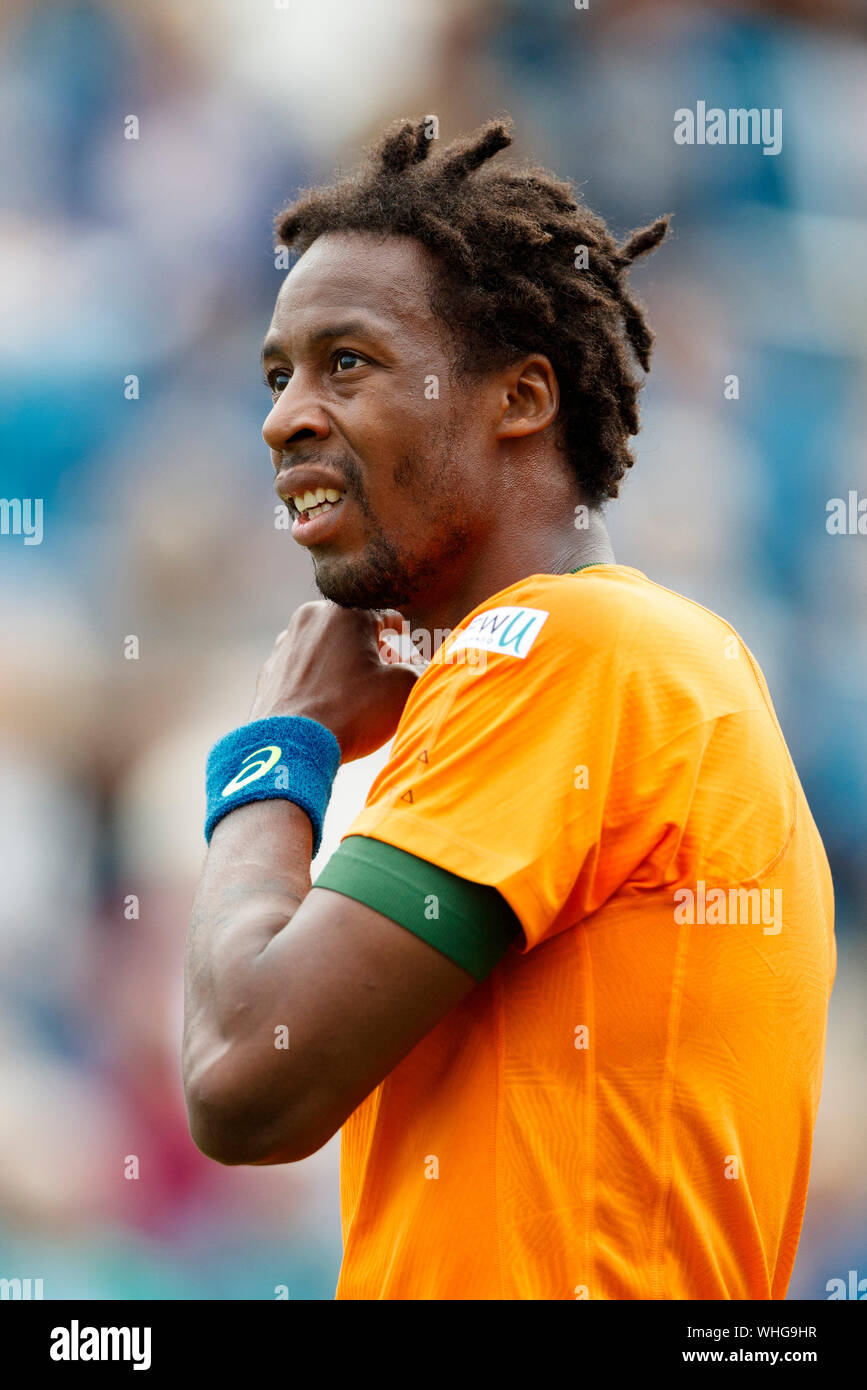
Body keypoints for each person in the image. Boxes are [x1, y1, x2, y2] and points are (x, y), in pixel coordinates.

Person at [183, 117, 836, 1300]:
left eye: (348, 362)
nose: (283, 417)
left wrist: (276, 754)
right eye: (277, 374)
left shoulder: (575, 649)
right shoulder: (615, 664)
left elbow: (244, 1075)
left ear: (523, 396)